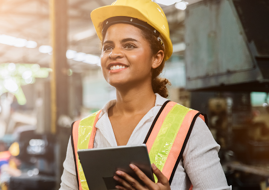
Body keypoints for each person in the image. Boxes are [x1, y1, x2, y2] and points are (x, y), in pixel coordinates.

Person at [60, 0, 231, 190]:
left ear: (156, 58)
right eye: (107, 47)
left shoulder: (188, 125)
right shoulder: (81, 131)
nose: (114, 53)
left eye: (129, 45)